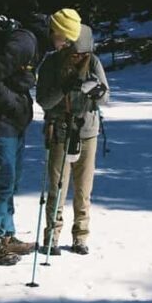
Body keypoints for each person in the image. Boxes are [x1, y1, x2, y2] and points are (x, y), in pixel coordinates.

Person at [0, 0, 48, 266]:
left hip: (12, 118)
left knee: (12, 179)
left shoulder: (36, 41)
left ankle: (6, 234)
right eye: (66, 40)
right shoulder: (23, 43)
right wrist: (13, 105)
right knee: (3, 178)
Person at [37, 18, 110, 256]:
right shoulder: (51, 63)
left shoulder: (93, 61)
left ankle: (81, 236)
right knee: (57, 188)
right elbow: (44, 101)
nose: (77, 57)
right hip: (59, 128)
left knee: (83, 189)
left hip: (87, 130)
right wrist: (65, 87)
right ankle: (52, 236)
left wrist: (96, 90)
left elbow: (105, 98)